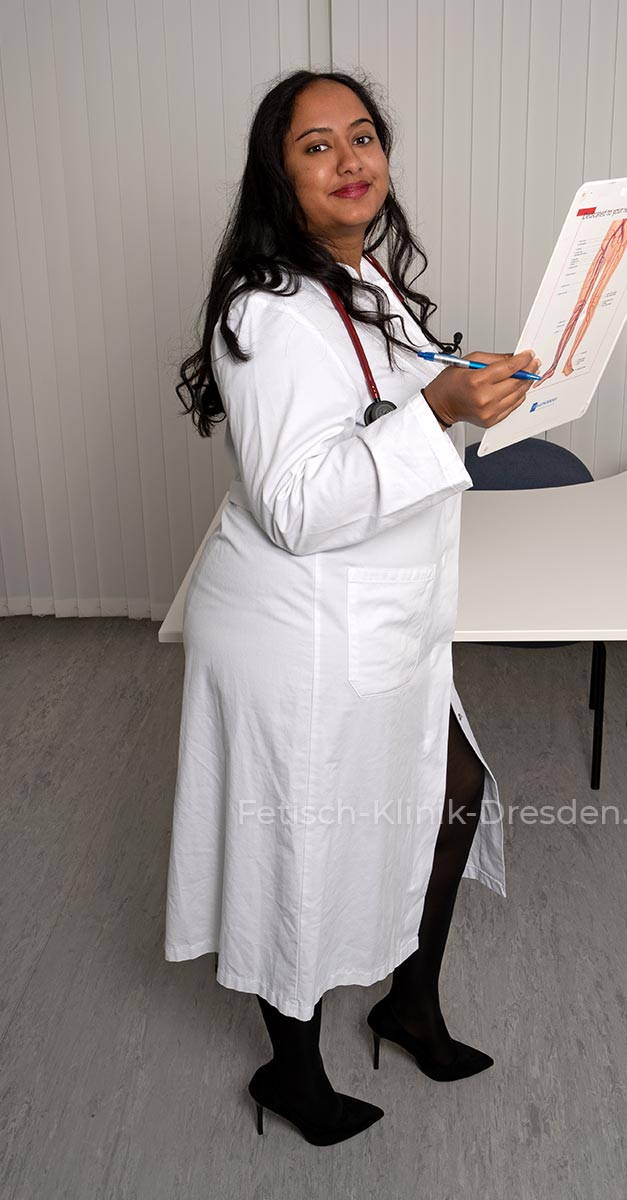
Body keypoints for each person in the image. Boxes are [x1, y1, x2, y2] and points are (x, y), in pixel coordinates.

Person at [166, 67, 539, 1147]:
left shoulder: (365, 280)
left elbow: (385, 405)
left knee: (448, 789)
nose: (349, 160)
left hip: (379, 614)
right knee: (303, 844)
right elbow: (295, 503)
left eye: (362, 136)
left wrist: (467, 382)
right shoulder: (266, 309)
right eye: (317, 145)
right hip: (300, 629)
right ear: (277, 175)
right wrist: (437, 409)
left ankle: (409, 1003)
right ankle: (293, 1074)